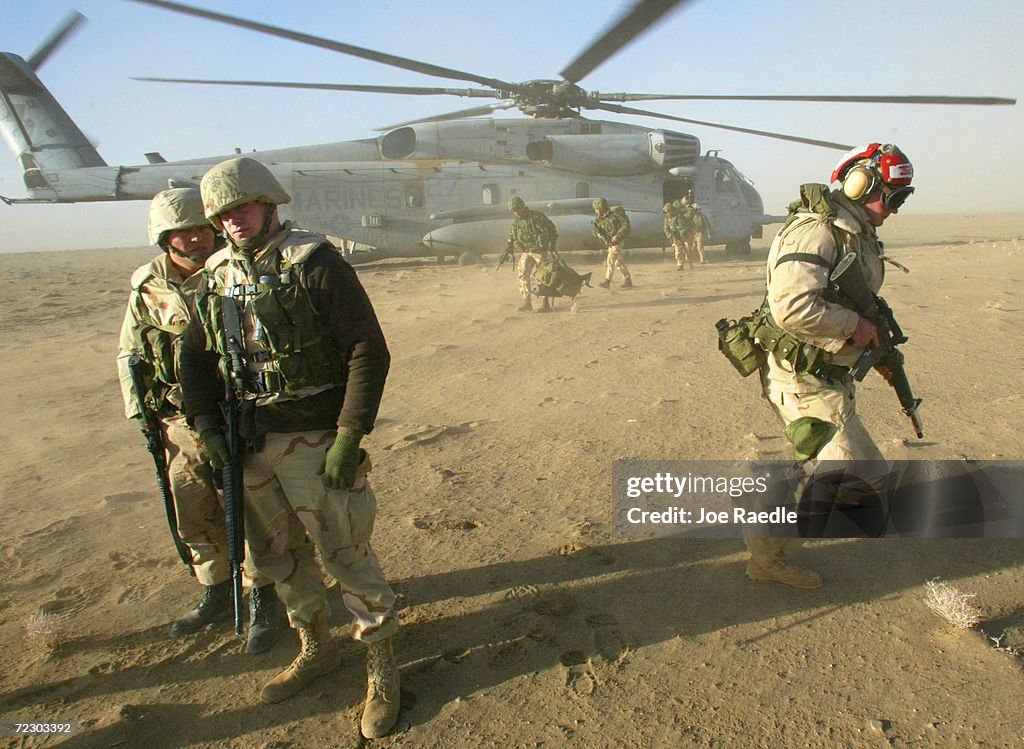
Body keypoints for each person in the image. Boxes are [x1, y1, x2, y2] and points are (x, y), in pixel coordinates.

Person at [177, 157, 400, 739]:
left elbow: (367, 351)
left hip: (314, 440)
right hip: (248, 444)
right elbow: (193, 359)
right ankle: (315, 646)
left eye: (243, 207)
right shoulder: (216, 276)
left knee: (345, 552)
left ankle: (380, 663)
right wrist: (208, 429)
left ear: (270, 204)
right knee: (278, 558)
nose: (234, 221)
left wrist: (348, 437)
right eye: (223, 214)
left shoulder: (317, 265)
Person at [116, 188, 283, 653]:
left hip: (233, 412)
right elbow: (130, 351)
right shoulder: (148, 286)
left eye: (200, 229)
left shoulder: (234, 271)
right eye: (182, 232)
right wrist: (141, 413)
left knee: (248, 510)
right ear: (164, 238)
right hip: (177, 419)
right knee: (191, 507)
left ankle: (262, 597)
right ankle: (215, 588)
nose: (194, 239)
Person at [746, 143, 915, 588]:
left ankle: (769, 539)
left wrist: (875, 350)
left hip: (826, 376)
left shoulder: (853, 230)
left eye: (903, 198)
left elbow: (851, 298)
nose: (895, 208)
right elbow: (792, 307)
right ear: (861, 184)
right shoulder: (818, 231)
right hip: (802, 377)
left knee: (843, 470)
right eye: (893, 197)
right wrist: (854, 327)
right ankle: (766, 550)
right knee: (853, 474)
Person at [507, 195, 558, 312]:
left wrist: (552, 244)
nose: (516, 213)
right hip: (526, 252)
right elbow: (513, 236)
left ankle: (545, 302)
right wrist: (509, 246)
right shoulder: (516, 222)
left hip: (540, 251)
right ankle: (527, 301)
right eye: (513, 211)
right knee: (523, 274)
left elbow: (552, 229)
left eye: (517, 210)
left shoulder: (537, 217)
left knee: (543, 276)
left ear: (522, 207)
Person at [593, 197, 633, 289]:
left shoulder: (615, 214)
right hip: (610, 242)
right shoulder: (599, 219)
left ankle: (607, 281)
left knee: (610, 259)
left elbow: (626, 226)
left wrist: (617, 236)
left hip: (617, 241)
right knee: (618, 261)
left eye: (596, 209)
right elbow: (594, 231)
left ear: (601, 208)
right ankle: (627, 279)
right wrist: (598, 233)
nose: (595, 211)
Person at [679, 195, 709, 265]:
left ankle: (702, 259)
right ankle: (688, 258)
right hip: (692, 232)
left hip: (699, 232)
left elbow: (707, 225)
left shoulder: (702, 216)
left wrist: (709, 232)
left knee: (700, 246)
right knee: (690, 246)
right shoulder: (689, 216)